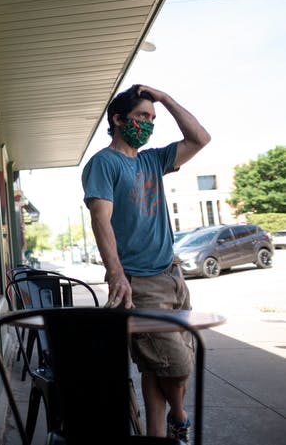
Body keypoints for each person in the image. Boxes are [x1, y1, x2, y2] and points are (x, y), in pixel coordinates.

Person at [81, 84, 211, 442]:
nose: (148, 124)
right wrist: (116, 273)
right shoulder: (103, 164)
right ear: (118, 119)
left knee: (158, 366)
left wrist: (164, 99)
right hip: (140, 285)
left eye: (152, 119)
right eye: (141, 116)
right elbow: (100, 219)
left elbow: (200, 138)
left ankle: (158, 435)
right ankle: (181, 419)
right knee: (178, 367)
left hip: (172, 276)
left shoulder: (153, 160)